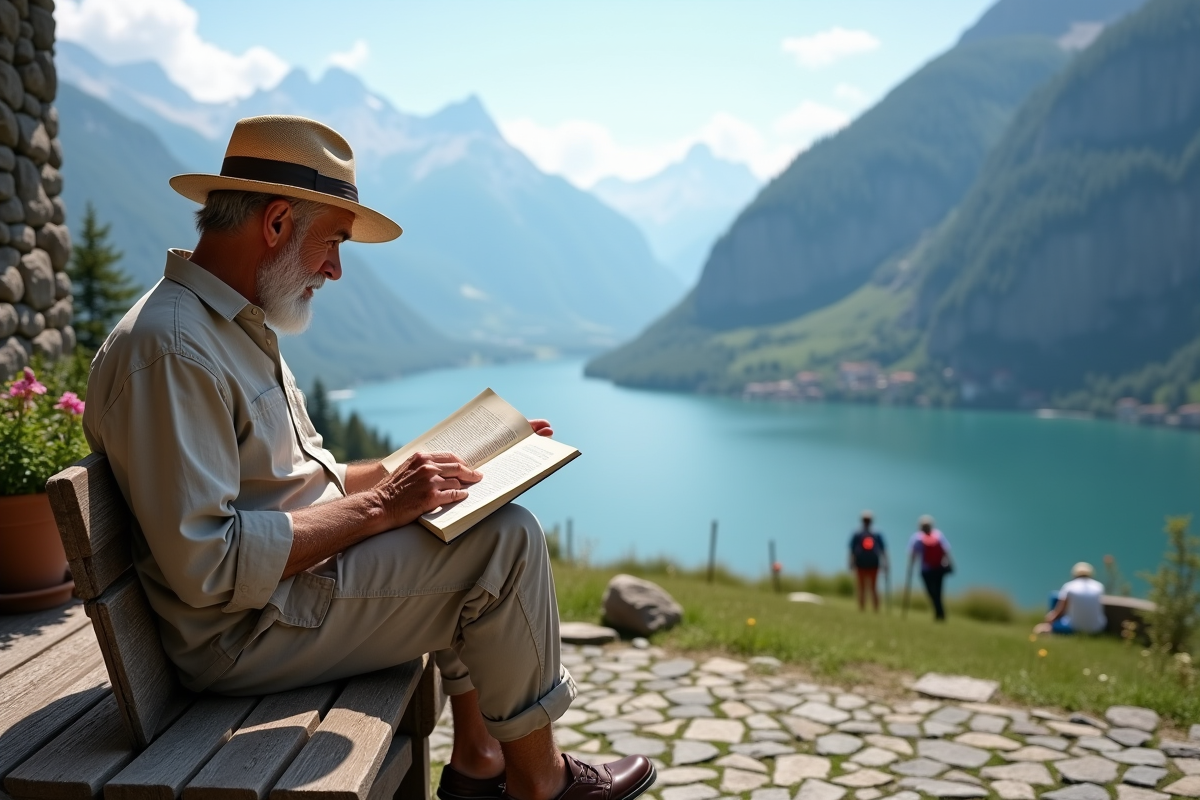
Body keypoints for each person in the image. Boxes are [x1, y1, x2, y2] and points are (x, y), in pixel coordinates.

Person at [82, 115, 655, 800]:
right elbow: (211, 566)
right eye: (334, 243)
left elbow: (303, 480)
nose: (336, 268)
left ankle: (480, 762)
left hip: (280, 600)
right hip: (240, 636)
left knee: (470, 515)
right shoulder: (174, 350)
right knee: (506, 544)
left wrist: (442, 462)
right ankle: (542, 785)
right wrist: (383, 506)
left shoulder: (227, 326)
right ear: (275, 225)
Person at [1034, 562, 1107, 635]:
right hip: (1097, 628)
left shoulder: (1069, 586)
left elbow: (1060, 610)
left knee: (1054, 596)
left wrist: (1050, 620)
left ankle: (1049, 627)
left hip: (1074, 628)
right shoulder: (1099, 587)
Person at [907, 515, 954, 621]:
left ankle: (939, 613)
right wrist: (949, 564)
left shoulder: (917, 538)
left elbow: (913, 554)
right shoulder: (938, 535)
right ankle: (940, 613)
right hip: (939, 568)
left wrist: (910, 567)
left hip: (926, 570)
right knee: (938, 592)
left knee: (931, 592)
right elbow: (946, 550)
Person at [848, 511, 888, 611]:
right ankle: (872, 609)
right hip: (871, 563)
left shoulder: (857, 533)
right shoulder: (876, 533)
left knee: (864, 588)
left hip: (863, 563)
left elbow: (852, 550)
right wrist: (886, 563)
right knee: (871, 588)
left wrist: (851, 562)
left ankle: (865, 609)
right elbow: (883, 550)